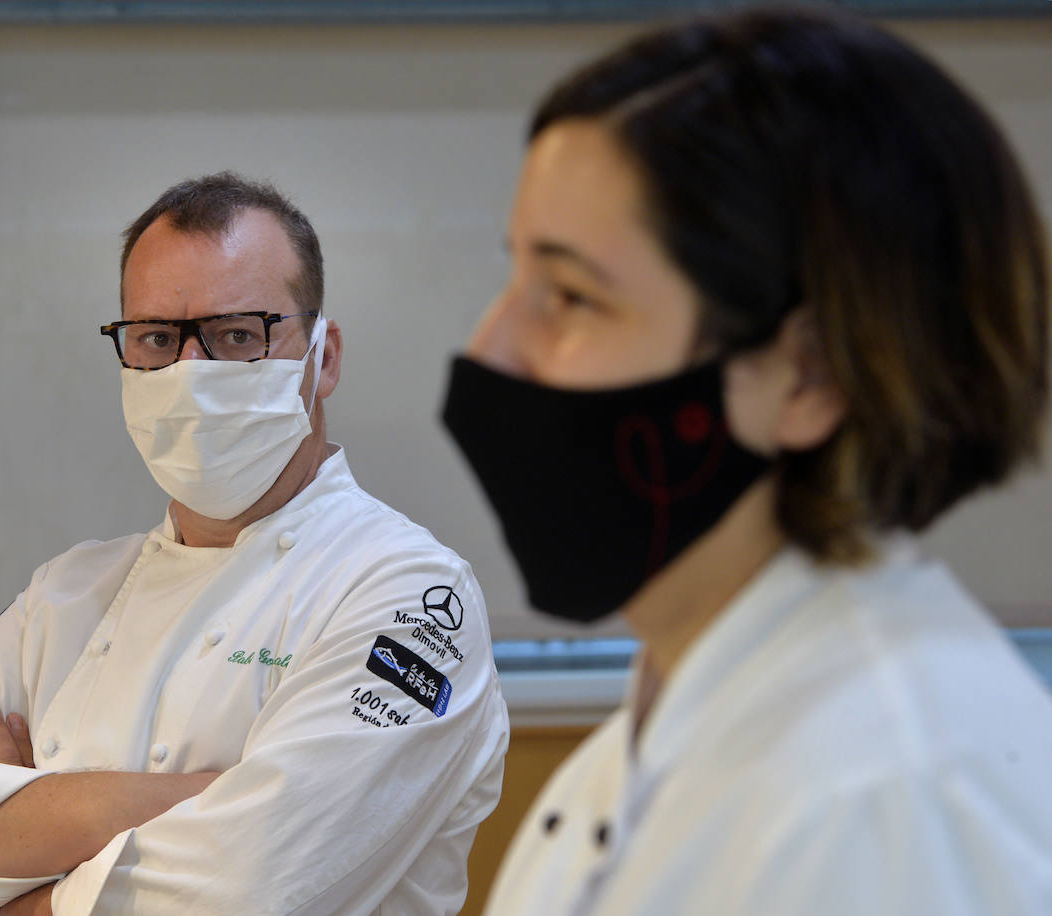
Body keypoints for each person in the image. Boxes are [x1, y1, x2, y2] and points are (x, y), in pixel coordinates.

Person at [440, 7, 1052, 914]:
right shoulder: (651, 744)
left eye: (569, 295)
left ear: (809, 375)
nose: (492, 351)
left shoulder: (886, 802)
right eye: (515, 277)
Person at [0, 172, 508, 916]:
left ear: (324, 356)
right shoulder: (67, 594)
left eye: (238, 335)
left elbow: (246, 891)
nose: (191, 374)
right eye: (156, 339)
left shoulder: (406, 594)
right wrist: (187, 801)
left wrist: (7, 851)